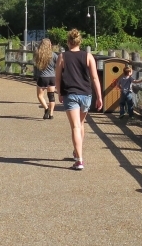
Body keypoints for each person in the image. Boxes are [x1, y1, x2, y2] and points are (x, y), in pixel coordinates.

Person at [55, 29, 102, 171]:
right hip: (86, 94)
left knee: (75, 126)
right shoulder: (88, 56)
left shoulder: (62, 57)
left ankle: (79, 160)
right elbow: (94, 78)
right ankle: (77, 152)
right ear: (79, 42)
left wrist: (59, 92)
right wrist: (99, 96)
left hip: (71, 94)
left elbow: (57, 78)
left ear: (68, 42)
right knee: (81, 124)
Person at [33, 38, 58, 120]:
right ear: (50, 45)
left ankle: (46, 109)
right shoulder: (53, 55)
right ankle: (51, 114)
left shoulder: (38, 54)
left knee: (40, 96)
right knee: (51, 96)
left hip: (42, 77)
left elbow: (35, 66)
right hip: (52, 77)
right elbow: (57, 66)